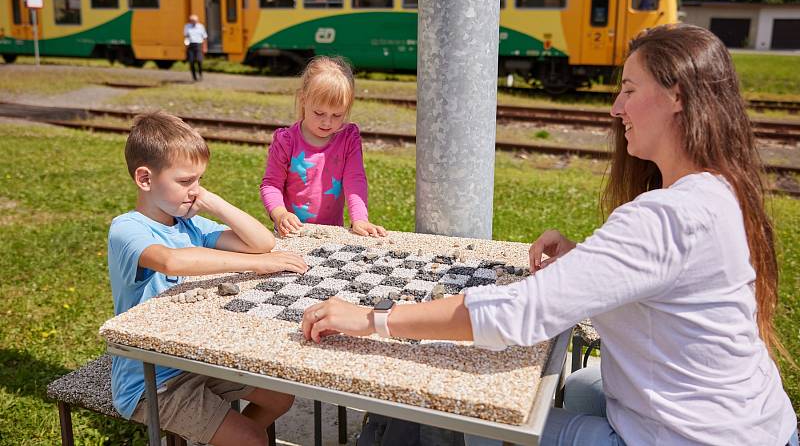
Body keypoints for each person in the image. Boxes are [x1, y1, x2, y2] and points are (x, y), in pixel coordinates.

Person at [300, 25, 799, 446]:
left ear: (677, 96)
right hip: (758, 424)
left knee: (474, 419)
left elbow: (520, 312)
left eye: (628, 88)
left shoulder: (666, 216)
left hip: (694, 438)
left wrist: (372, 318)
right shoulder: (718, 190)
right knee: (580, 383)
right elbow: (657, 283)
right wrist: (584, 260)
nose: (615, 108)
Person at [109, 111, 308, 446]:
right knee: (251, 439)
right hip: (153, 380)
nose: (194, 191)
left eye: (199, 180)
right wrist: (257, 266)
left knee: (281, 395)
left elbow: (262, 243)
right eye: (186, 182)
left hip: (196, 359)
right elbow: (172, 261)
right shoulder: (127, 228)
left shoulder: (190, 224)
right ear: (145, 179)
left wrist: (213, 201)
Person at [260, 56, 387, 237]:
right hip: (291, 232)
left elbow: (355, 179)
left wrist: (360, 219)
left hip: (332, 232)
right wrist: (280, 214)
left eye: (337, 115)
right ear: (303, 99)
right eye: (319, 113)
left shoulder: (348, 138)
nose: (327, 122)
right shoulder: (286, 141)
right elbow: (271, 184)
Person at [184, 14, 207, 82]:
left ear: (197, 20)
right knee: (191, 62)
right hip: (190, 45)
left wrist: (204, 47)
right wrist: (186, 45)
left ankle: (200, 75)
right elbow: (186, 37)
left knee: (199, 61)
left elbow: (204, 37)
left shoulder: (201, 26)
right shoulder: (187, 26)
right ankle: (194, 77)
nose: (193, 22)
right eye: (192, 20)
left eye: (194, 20)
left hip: (198, 45)